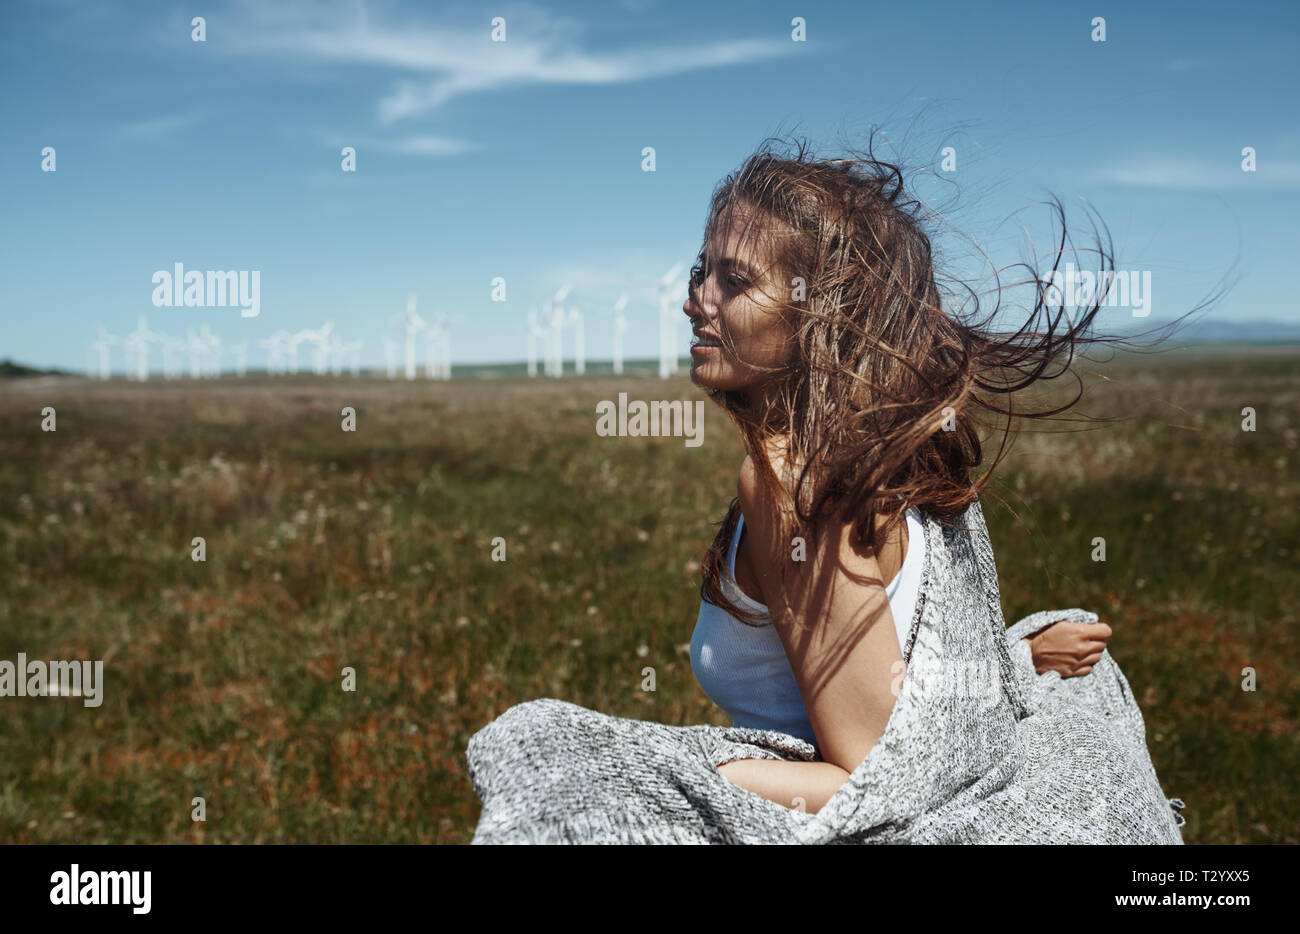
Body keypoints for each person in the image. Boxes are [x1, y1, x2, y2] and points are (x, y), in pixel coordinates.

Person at [466, 134, 1207, 843]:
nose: (695, 298)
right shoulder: (893, 460)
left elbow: (878, 779)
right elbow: (901, 677)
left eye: (736, 280)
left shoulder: (791, 481)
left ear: (822, 311)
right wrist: (1020, 659)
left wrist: (687, 770)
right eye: (701, 271)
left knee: (547, 748)